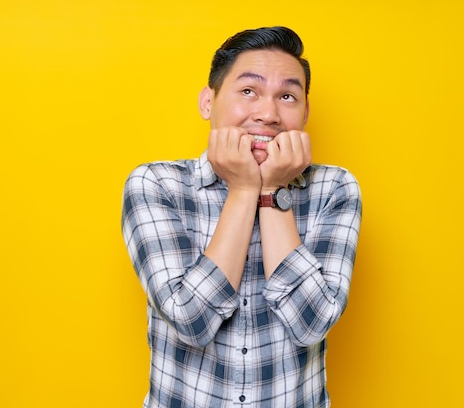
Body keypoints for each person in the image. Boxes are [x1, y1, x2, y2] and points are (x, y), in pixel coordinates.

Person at [121, 26, 362, 408]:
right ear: (207, 102)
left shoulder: (335, 188)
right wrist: (244, 190)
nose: (267, 114)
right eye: (248, 91)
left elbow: (312, 324)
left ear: (305, 112)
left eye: (287, 96)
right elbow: (191, 320)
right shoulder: (157, 185)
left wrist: (271, 192)